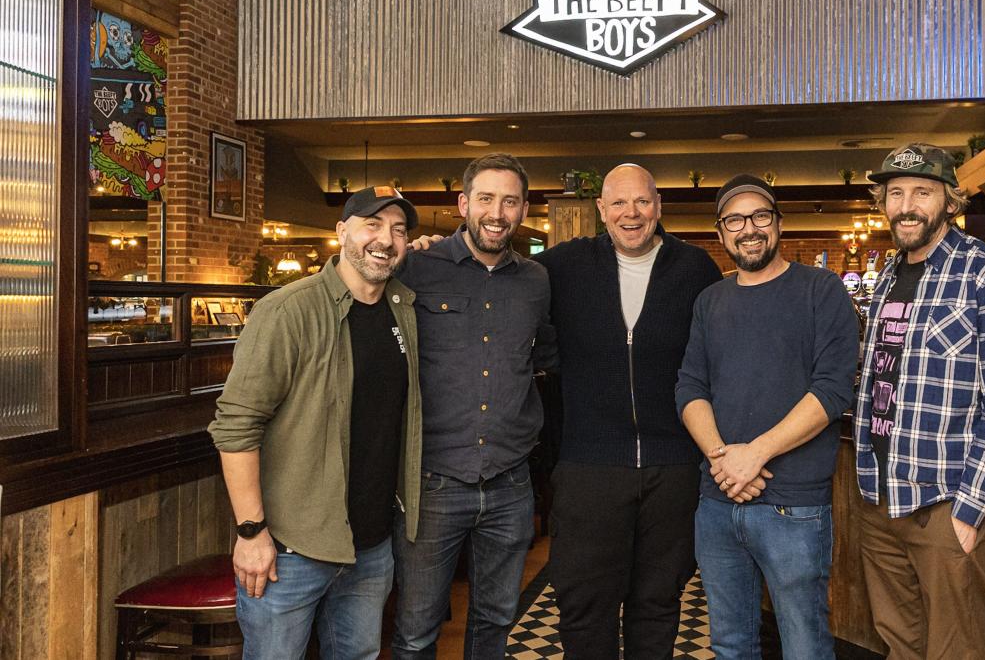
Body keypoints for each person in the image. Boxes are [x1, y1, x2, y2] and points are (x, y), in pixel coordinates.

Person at [209, 186, 422, 658]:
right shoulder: (287, 310)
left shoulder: (403, 309)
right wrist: (250, 532)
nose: (385, 238)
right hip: (290, 549)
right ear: (342, 231)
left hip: (370, 546)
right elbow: (236, 425)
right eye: (372, 224)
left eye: (399, 229)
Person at [534, 164, 722, 659]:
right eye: (618, 202)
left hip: (673, 466)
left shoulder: (696, 268)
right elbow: (502, 284)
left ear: (659, 206)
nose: (631, 213)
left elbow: (716, 357)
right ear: (601, 210)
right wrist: (431, 254)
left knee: (658, 604)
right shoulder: (563, 266)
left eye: (641, 202)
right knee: (583, 605)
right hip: (588, 465)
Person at [854, 143, 985, 659]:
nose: (907, 205)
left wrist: (970, 511)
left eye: (922, 192)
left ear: (950, 201)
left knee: (960, 650)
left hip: (944, 502)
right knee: (899, 646)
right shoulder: (888, 275)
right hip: (881, 498)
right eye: (896, 193)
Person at [676, 174, 859, 660]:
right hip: (717, 503)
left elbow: (832, 390)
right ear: (720, 233)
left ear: (778, 224)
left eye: (760, 216)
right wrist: (723, 460)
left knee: (804, 646)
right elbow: (690, 387)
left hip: (794, 506)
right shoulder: (710, 300)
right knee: (730, 645)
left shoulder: (821, 290)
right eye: (735, 220)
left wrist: (753, 455)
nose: (748, 229)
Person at [391, 153, 554, 659]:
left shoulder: (536, 281)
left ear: (523, 209)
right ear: (463, 203)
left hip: (510, 483)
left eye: (509, 201)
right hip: (433, 483)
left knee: (497, 622)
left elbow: (542, 358)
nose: (497, 211)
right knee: (416, 630)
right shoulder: (415, 267)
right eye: (486, 198)